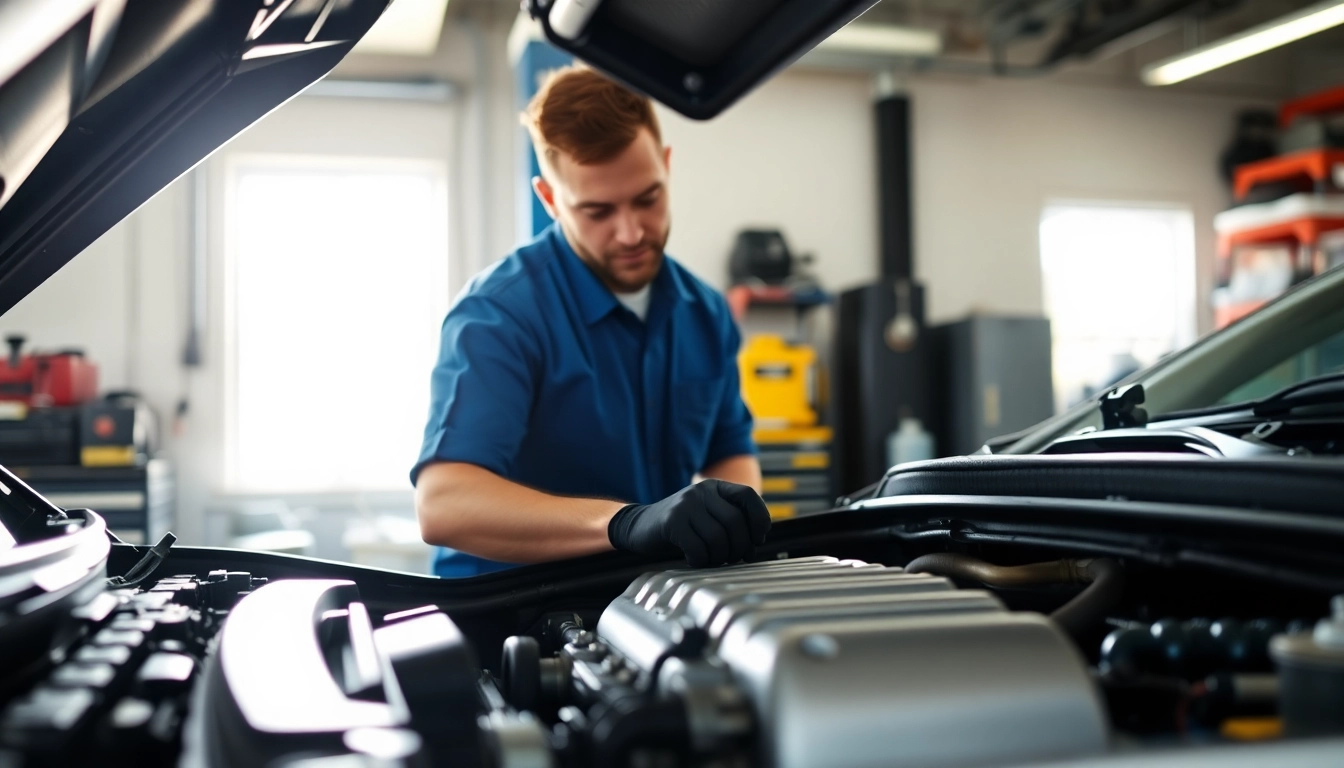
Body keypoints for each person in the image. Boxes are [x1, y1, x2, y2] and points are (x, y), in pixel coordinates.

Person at [411, 65, 768, 578]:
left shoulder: (706, 313)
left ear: (666, 166)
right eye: (597, 211)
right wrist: (624, 525)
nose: (630, 233)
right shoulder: (500, 314)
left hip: (646, 600)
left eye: (648, 198)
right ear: (551, 200)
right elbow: (444, 505)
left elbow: (730, 454)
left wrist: (733, 522)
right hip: (509, 614)